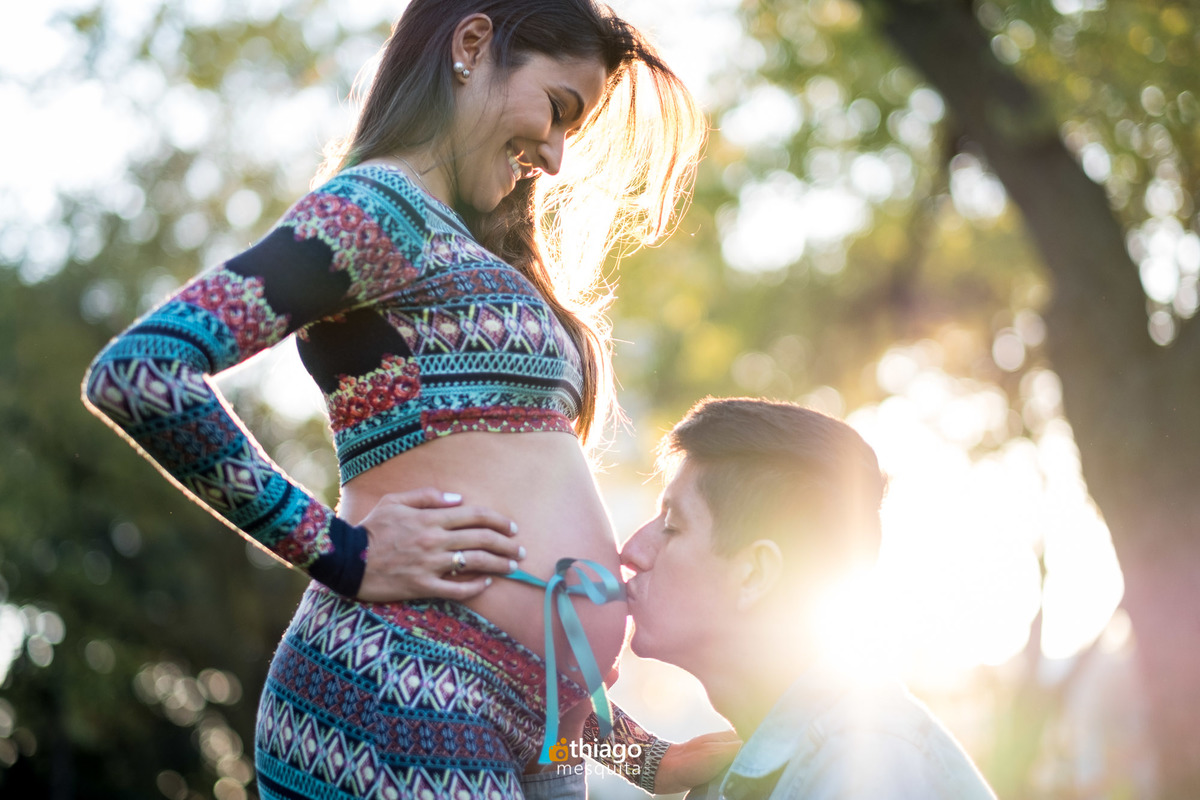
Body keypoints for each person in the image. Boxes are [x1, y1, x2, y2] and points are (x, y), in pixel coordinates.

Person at [82, 1, 712, 797]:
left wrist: (648, 758)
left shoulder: (473, 245)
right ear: (474, 44)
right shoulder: (380, 209)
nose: (553, 158)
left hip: (539, 723)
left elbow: (523, 566)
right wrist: (341, 552)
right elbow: (143, 372)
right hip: (402, 685)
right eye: (557, 110)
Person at [621, 398, 998, 799]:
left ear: (754, 573)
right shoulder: (732, 775)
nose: (632, 550)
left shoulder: (865, 773)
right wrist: (625, 751)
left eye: (672, 526)